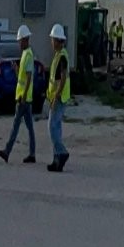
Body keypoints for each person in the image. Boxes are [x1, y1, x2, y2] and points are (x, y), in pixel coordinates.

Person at [0, 31, 46, 166]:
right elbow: (22, 77)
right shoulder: (25, 55)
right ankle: (31, 154)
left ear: (25, 40)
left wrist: (24, 96)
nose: (19, 43)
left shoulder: (29, 55)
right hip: (24, 97)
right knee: (29, 127)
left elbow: (29, 77)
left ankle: (7, 151)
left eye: (20, 41)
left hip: (23, 98)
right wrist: (16, 69)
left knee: (16, 125)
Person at [40, 22, 74, 171]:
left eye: (53, 39)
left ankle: (61, 152)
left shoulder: (61, 57)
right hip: (58, 96)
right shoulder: (60, 55)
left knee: (52, 127)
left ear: (58, 40)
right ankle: (57, 160)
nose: (51, 42)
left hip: (59, 97)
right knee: (57, 127)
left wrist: (55, 97)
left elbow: (62, 79)